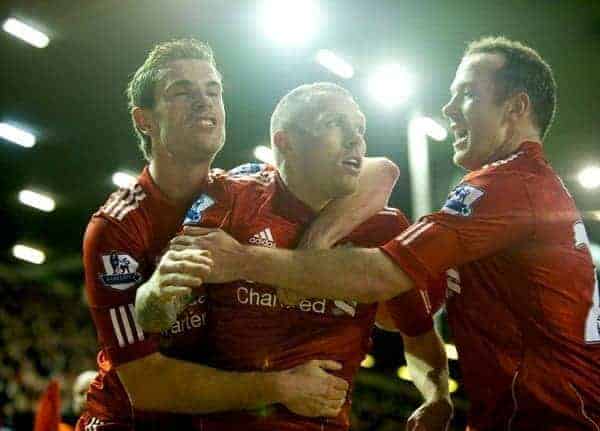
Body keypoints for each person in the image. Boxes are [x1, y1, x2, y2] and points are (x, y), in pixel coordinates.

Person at [189, 37, 600, 430]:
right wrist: (438, 397)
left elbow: (380, 275)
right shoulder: (523, 187)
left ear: (516, 107)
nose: (448, 108)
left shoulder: (508, 186)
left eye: (468, 95)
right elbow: (382, 169)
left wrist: (243, 260)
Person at [79, 38, 398, 430]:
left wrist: (315, 245)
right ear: (144, 119)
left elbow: (379, 170)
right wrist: (280, 387)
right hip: (128, 420)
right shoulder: (116, 226)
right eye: (182, 92)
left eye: (213, 91)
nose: (204, 102)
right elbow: (144, 384)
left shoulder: (243, 187)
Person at [160, 82, 452, 430]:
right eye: (333, 123)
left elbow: (418, 334)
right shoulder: (233, 198)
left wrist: (437, 397)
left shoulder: (382, 229)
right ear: (286, 142)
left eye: (360, 128)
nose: (355, 139)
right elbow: (159, 320)